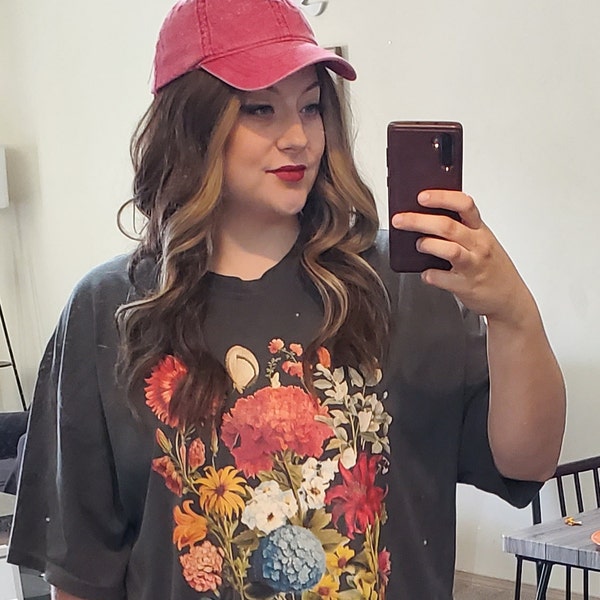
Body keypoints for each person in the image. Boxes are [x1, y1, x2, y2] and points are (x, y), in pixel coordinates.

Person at [7, 0, 566, 598]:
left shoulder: (403, 285)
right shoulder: (110, 309)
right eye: (260, 109)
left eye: (310, 106)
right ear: (191, 125)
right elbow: (82, 570)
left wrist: (514, 314)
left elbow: (526, 461)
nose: (298, 137)